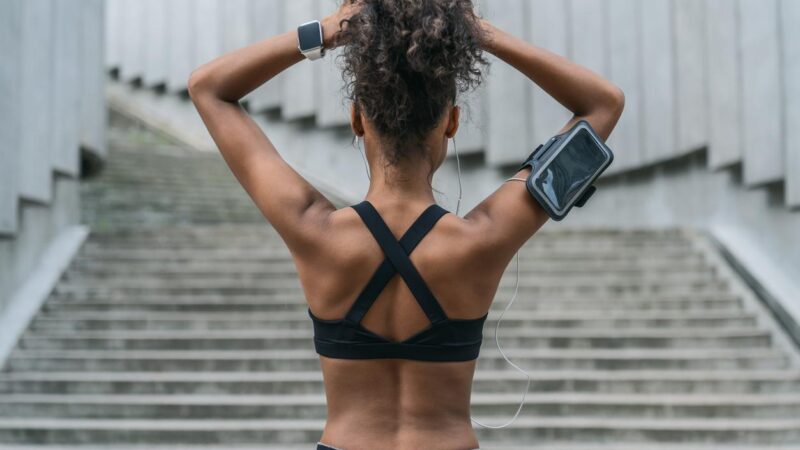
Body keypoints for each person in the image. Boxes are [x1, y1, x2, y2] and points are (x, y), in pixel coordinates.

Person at [188, 1, 624, 449]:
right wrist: (479, 34)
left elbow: (208, 88)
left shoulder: (313, 230)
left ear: (357, 119)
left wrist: (328, 30)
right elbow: (603, 104)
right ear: (452, 122)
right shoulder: (484, 239)